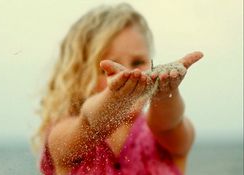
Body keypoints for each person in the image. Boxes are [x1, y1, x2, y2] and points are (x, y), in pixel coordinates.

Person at [32, 3, 203, 175]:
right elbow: (89, 123)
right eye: (108, 69)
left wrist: (164, 94)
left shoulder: (162, 133)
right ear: (79, 77)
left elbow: (168, 125)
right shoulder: (64, 135)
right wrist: (114, 99)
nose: (130, 73)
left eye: (138, 62)